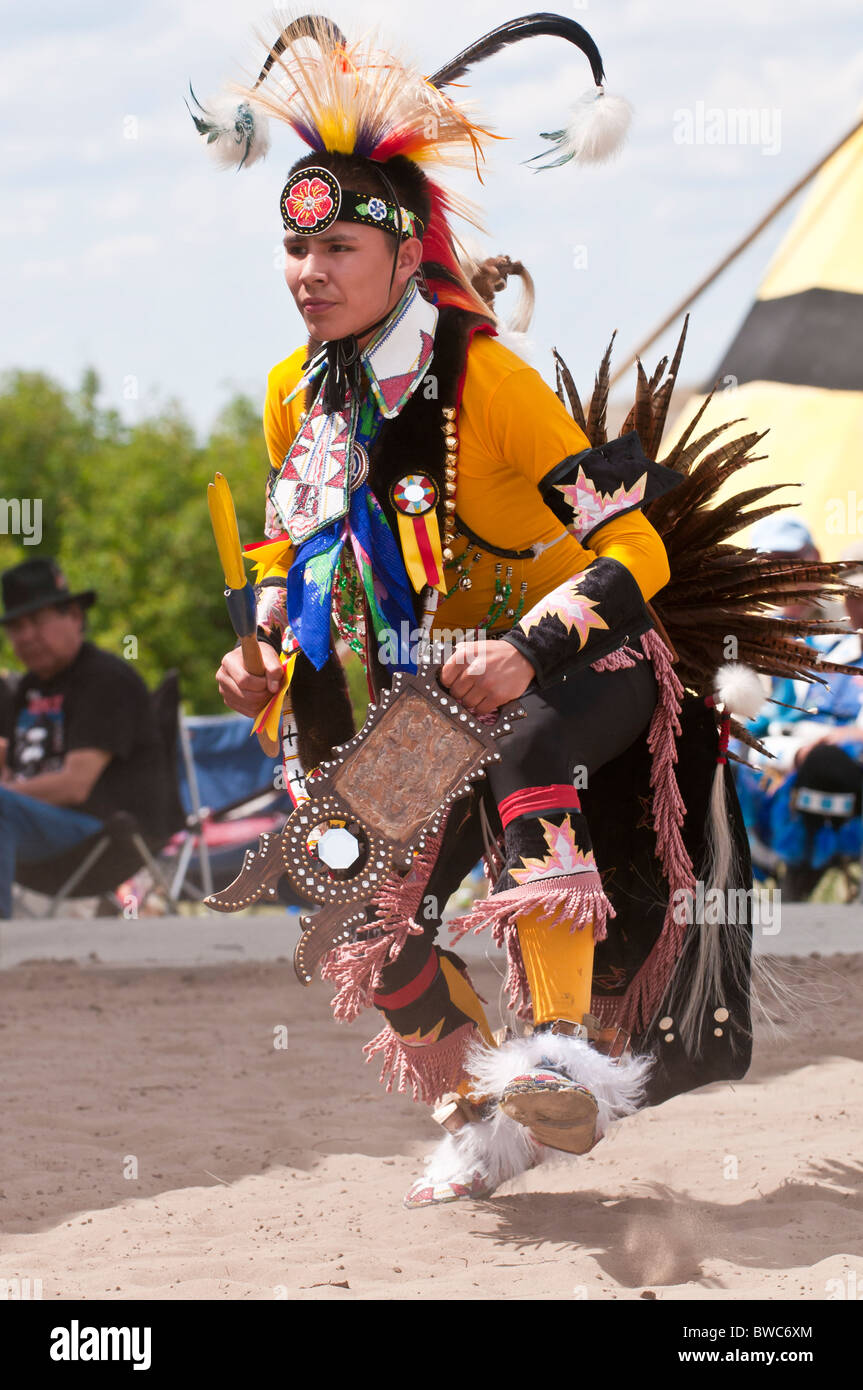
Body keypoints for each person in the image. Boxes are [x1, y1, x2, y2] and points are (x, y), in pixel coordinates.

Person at [193, 14, 849, 1207]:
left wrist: (530, 639)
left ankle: (557, 1054)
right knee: (349, 882)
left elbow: (633, 542)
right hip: (435, 692)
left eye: (339, 248)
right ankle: (485, 1113)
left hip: (587, 656)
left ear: (403, 259)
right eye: (295, 252)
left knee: (519, 729)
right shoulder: (299, 393)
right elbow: (291, 543)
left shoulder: (486, 380)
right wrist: (267, 656)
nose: (310, 274)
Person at [0, 558, 167, 916]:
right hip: (34, 833)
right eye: (15, 626)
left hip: (105, 837)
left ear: (74, 616)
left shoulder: (104, 679)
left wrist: (7, 795)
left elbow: (74, 785)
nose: (26, 635)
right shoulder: (24, 689)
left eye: (37, 620)